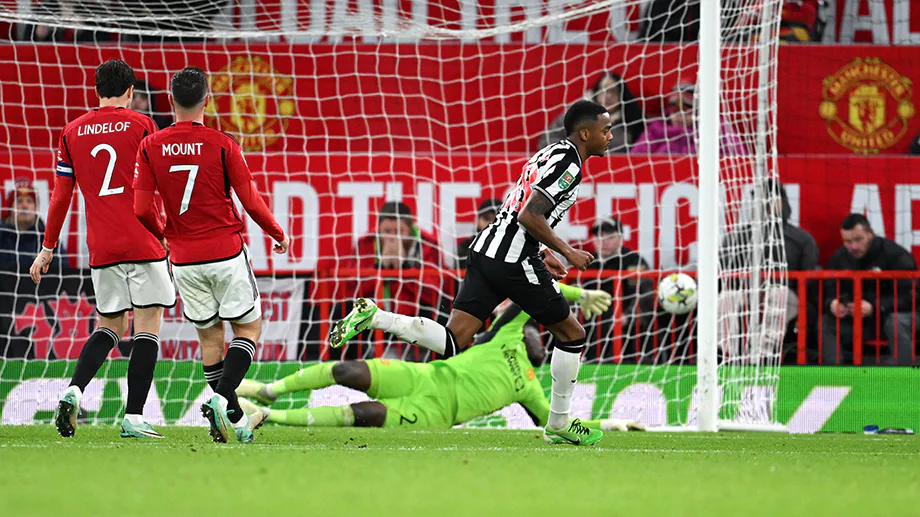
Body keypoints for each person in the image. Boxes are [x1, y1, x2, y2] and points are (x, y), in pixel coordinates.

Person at [330, 100, 612, 446]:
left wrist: (544, 250)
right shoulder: (569, 164)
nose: (610, 136)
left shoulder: (548, 153)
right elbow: (529, 215)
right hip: (512, 260)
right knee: (572, 334)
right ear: (585, 134)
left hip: (485, 251)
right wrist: (568, 251)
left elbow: (516, 209)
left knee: (453, 341)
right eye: (605, 130)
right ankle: (559, 423)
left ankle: (377, 317)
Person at [133, 67, 291, 443]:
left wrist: (164, 234)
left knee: (210, 341)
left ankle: (235, 422)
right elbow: (250, 200)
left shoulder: (150, 146)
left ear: (170, 100)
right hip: (225, 252)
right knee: (248, 330)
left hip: (184, 259)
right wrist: (277, 233)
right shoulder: (223, 144)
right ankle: (222, 399)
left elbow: (140, 209)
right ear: (207, 100)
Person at [237, 283, 629, 433]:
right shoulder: (504, 335)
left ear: (544, 355)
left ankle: (267, 416)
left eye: (543, 338)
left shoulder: (530, 389)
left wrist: (611, 423)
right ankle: (269, 391)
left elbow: (558, 423)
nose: (537, 334)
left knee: (364, 414)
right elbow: (537, 292)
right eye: (536, 330)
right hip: (423, 376)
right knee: (347, 369)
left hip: (433, 413)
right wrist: (579, 295)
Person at [29, 60, 173, 439]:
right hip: (143, 239)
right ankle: (134, 417)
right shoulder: (143, 125)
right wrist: (168, 231)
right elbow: (161, 184)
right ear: (130, 92)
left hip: (103, 245)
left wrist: (47, 248)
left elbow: (60, 197)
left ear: (96, 91)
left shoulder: (71, 131)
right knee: (146, 326)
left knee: (110, 325)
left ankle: (74, 391)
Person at [719, 179, 820, 362]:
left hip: (786, 294)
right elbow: (725, 272)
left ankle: (763, 355)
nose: (766, 204)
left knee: (777, 294)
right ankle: (727, 354)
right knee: (728, 298)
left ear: (783, 201)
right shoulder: (737, 238)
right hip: (746, 292)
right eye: (761, 199)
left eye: (772, 199)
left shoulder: (802, 239)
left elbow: (809, 278)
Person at [822, 214, 917, 365]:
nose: (853, 246)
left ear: (870, 234)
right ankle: (834, 375)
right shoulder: (839, 258)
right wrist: (832, 304)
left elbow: (912, 295)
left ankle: (905, 374)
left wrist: (875, 307)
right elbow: (827, 290)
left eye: (858, 239)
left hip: (889, 318)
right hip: (859, 322)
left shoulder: (895, 254)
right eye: (848, 241)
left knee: (895, 321)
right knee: (825, 323)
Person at [582, 216, 655, 361]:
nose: (604, 241)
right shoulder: (586, 261)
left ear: (620, 238)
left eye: (610, 237)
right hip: (591, 320)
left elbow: (645, 295)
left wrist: (628, 316)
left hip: (626, 324)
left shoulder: (633, 261)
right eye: (599, 236)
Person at [631, 82, 747, 156]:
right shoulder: (655, 130)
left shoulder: (718, 129)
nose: (679, 117)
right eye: (675, 113)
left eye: (686, 113)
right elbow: (636, 158)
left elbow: (738, 157)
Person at [539, 72, 644, 153]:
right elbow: (546, 141)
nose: (608, 96)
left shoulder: (631, 121)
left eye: (613, 91)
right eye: (604, 90)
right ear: (596, 92)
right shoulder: (575, 115)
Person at [0, 181, 65, 268]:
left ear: (35, 208)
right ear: (11, 208)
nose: (25, 206)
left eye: (29, 201)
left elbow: (63, 269)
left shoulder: (48, 239)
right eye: (19, 201)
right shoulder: (2, 236)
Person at [456, 198, 502, 269]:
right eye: (486, 219)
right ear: (477, 220)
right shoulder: (465, 247)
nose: (491, 224)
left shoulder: (513, 249)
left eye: (496, 220)